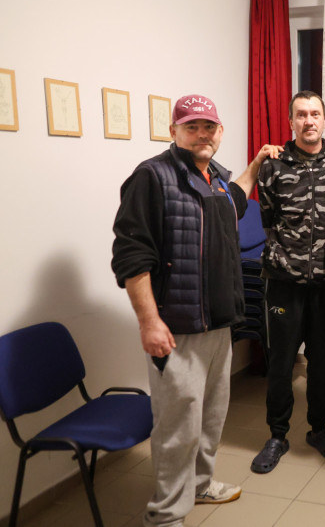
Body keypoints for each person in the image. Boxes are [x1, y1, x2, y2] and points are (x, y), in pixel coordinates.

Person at [112, 94, 268, 527]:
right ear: (174, 131)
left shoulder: (216, 178)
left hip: (219, 324)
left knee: (210, 418)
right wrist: (149, 322)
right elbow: (131, 255)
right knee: (178, 427)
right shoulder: (152, 177)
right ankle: (165, 514)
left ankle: (199, 485)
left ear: (220, 131)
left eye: (209, 126)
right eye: (192, 126)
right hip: (176, 329)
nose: (202, 134)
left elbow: (235, 201)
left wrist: (256, 165)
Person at [249, 91, 325, 474]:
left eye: (315, 114)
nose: (309, 121)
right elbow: (268, 219)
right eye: (301, 115)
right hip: (283, 282)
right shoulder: (273, 165)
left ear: (324, 119)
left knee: (320, 362)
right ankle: (277, 435)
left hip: (324, 283)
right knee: (281, 362)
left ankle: (319, 430)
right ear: (291, 121)